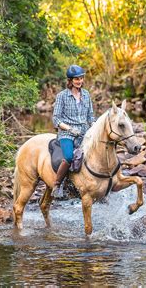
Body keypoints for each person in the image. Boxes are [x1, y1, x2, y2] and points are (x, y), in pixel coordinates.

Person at [51, 64, 95, 197]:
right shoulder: (62, 96)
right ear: (70, 80)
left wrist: (94, 126)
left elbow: (90, 116)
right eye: (76, 79)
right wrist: (70, 129)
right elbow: (56, 119)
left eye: (81, 78)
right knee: (69, 157)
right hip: (67, 133)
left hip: (84, 131)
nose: (79, 81)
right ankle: (57, 185)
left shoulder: (86, 94)